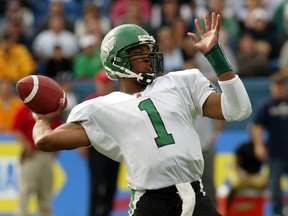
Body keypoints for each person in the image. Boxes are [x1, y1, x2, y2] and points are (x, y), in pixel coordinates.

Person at [32, 13, 252, 216]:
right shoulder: (100, 108)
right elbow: (45, 141)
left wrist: (215, 56)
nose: (148, 56)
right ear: (115, 61)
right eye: (138, 52)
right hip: (151, 204)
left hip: (197, 196)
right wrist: (41, 120)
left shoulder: (182, 82)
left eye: (148, 49)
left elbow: (238, 109)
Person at [79, 70, 120, 216]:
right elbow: (81, 125)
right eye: (104, 83)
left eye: (108, 83)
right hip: (96, 149)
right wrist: (83, 145)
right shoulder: (90, 102)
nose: (106, 86)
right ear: (97, 84)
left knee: (111, 185)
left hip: (115, 149)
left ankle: (106, 212)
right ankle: (92, 213)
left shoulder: (118, 101)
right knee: (95, 184)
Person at [12, 104, 61, 216]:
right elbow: (17, 130)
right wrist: (26, 145)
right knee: (25, 190)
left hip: (46, 156)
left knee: (45, 192)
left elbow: (58, 131)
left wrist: (55, 149)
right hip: (31, 156)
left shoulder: (50, 111)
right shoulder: (24, 110)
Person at [252, 72, 288, 216]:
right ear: (272, 87)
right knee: (275, 186)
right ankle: (278, 212)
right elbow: (257, 127)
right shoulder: (266, 106)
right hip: (275, 153)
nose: (279, 88)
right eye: (276, 86)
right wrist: (259, 146)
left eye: (282, 85)